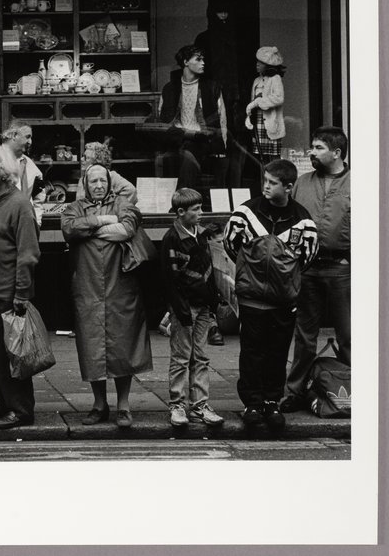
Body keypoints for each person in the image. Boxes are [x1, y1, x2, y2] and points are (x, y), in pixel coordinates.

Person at [223, 159, 317, 430]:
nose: (265, 186)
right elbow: (231, 244)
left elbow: (307, 257)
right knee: (251, 351)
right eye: (264, 180)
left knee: (277, 351)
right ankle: (252, 403)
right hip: (251, 297)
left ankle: (272, 401)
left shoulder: (303, 220)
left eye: (272, 183)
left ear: (288, 187)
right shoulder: (245, 213)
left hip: (283, 299)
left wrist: (282, 279)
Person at [61, 164, 152, 428]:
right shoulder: (74, 208)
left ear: (110, 183)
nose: (99, 185)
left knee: (123, 346)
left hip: (120, 287)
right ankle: (99, 404)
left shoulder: (123, 203)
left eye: (103, 180)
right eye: (93, 182)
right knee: (92, 347)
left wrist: (90, 231)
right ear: (86, 185)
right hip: (88, 288)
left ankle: (123, 405)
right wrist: (103, 221)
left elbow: (127, 229)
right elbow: (69, 229)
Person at [282, 127, 351, 412]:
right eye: (311, 147)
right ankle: (296, 391)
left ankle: (351, 390)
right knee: (305, 336)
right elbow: (291, 222)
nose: (311, 152)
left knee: (350, 335)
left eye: (318, 147)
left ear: (336, 153)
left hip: (342, 268)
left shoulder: (360, 182)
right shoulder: (302, 183)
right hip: (308, 268)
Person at [0, 147, 41, 430]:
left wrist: (21, 294)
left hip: (7, 294)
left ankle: (21, 409)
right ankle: (4, 402)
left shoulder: (19, 206)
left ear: (3, 173)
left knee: (13, 355)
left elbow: (28, 254)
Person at [159, 188, 224, 427]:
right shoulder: (172, 239)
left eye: (201, 208)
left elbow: (210, 270)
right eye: (196, 209)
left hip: (203, 306)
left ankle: (199, 405)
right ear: (180, 212)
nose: (201, 213)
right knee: (181, 358)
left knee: (201, 357)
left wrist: (213, 300)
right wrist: (180, 309)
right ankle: (177, 404)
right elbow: (170, 279)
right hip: (185, 308)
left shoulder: (201, 235)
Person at [157, 44, 228, 189]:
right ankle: (184, 197)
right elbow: (163, 119)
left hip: (203, 140)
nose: (203, 63)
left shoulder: (211, 87)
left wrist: (221, 148)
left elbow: (222, 120)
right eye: (198, 59)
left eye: (204, 60)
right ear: (185, 62)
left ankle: (182, 197)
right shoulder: (170, 88)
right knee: (181, 153)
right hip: (178, 138)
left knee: (189, 151)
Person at [194, 3, 246, 187]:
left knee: (235, 144)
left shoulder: (237, 37)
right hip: (212, 94)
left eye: (226, 11)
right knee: (215, 142)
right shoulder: (204, 38)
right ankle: (219, 189)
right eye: (219, 12)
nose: (222, 16)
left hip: (235, 95)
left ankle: (235, 188)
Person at [245, 46, 286, 167]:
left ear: (268, 65)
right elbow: (252, 101)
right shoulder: (256, 80)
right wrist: (248, 116)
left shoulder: (275, 79)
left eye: (261, 63)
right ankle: (265, 183)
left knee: (274, 160)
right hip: (258, 122)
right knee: (261, 159)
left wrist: (258, 102)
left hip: (270, 123)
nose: (257, 64)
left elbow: (278, 98)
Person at [74, 139, 138, 204]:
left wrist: (115, 208)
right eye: (82, 156)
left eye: (86, 157)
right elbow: (79, 204)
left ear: (96, 161)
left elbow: (131, 191)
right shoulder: (82, 179)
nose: (81, 159)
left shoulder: (111, 176)